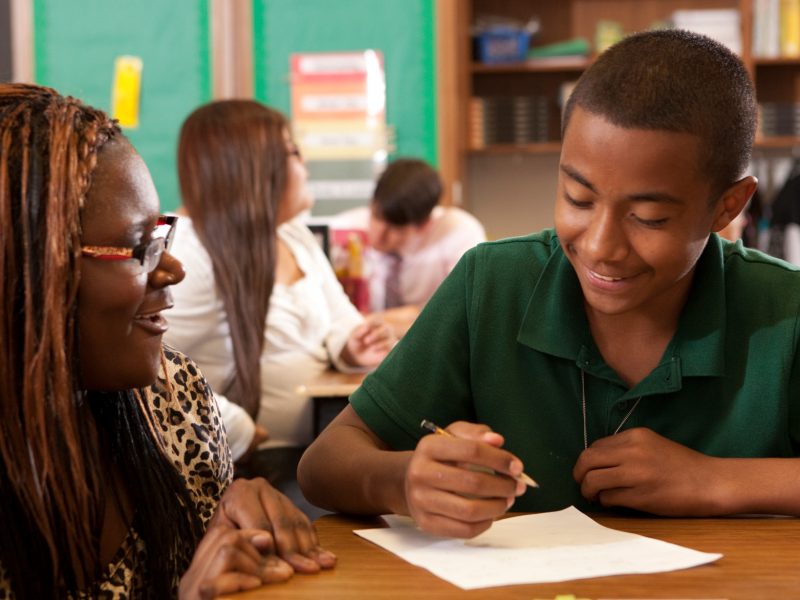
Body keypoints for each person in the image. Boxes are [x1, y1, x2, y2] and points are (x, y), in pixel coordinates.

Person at [298, 29, 800, 539]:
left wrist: (715, 480)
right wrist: (406, 480)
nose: (601, 245)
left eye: (648, 217)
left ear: (727, 206)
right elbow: (322, 465)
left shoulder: (785, 309)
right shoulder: (491, 284)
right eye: (578, 198)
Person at [0, 83, 334, 598]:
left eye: (160, 237)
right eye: (139, 247)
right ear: (25, 267)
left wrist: (230, 524)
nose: (172, 269)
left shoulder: (174, 394)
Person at [163, 100, 394, 507]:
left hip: (313, 448)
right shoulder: (188, 250)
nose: (306, 165)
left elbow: (340, 319)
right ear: (253, 166)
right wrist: (232, 427)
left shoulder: (293, 236)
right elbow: (150, 369)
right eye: (293, 152)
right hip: (244, 465)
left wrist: (352, 343)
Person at [332, 158, 486, 336]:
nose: (378, 234)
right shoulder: (342, 229)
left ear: (424, 224)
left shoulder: (458, 231)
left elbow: (465, 311)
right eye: (375, 216)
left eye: (396, 228)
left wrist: (379, 323)